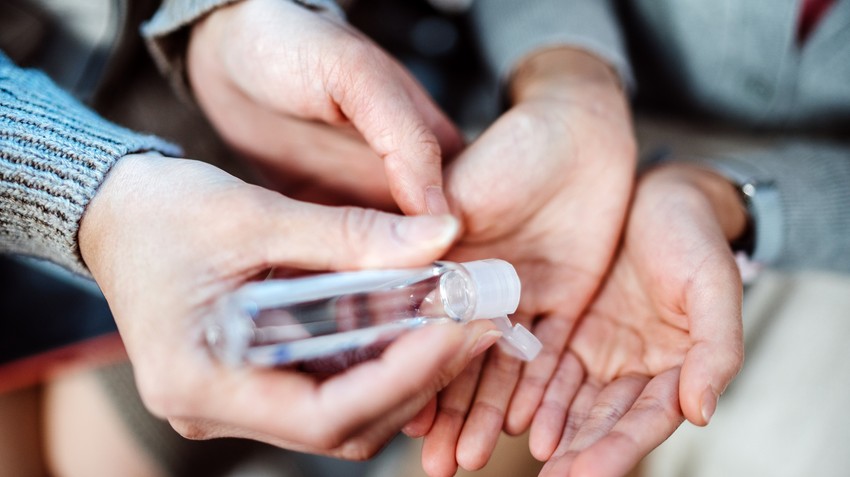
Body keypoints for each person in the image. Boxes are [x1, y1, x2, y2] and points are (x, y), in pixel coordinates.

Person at [0, 1, 504, 474]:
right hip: (51, 231)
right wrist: (92, 197)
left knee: (95, 462)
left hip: (195, 243)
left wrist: (218, 19)